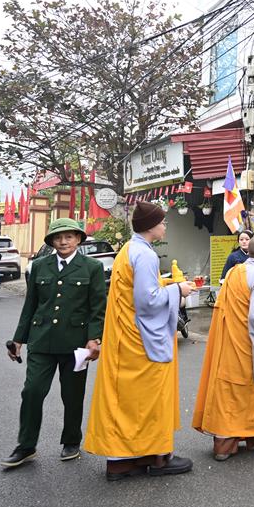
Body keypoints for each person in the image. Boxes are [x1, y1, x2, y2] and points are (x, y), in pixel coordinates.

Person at [83, 201, 196, 480]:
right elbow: (148, 301)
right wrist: (178, 290)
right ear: (151, 226)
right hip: (141, 340)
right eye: (162, 222)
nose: (165, 226)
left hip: (126, 337)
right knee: (149, 399)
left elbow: (138, 291)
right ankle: (157, 458)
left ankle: (123, 460)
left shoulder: (128, 250)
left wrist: (168, 285)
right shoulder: (145, 255)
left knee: (127, 402)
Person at [2, 218, 107, 469]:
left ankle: (71, 440)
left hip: (76, 344)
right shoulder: (39, 266)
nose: (63, 242)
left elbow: (98, 308)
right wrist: (19, 339)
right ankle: (26, 445)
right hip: (41, 341)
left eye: (69, 236)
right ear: (51, 241)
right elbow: (30, 305)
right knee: (32, 391)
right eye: (58, 238)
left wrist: (94, 338)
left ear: (78, 239)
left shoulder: (92, 267)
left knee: (72, 395)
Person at [193, 235, 254, 460]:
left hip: (229, 343)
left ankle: (223, 443)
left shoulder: (234, 272)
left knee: (229, 393)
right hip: (250, 345)